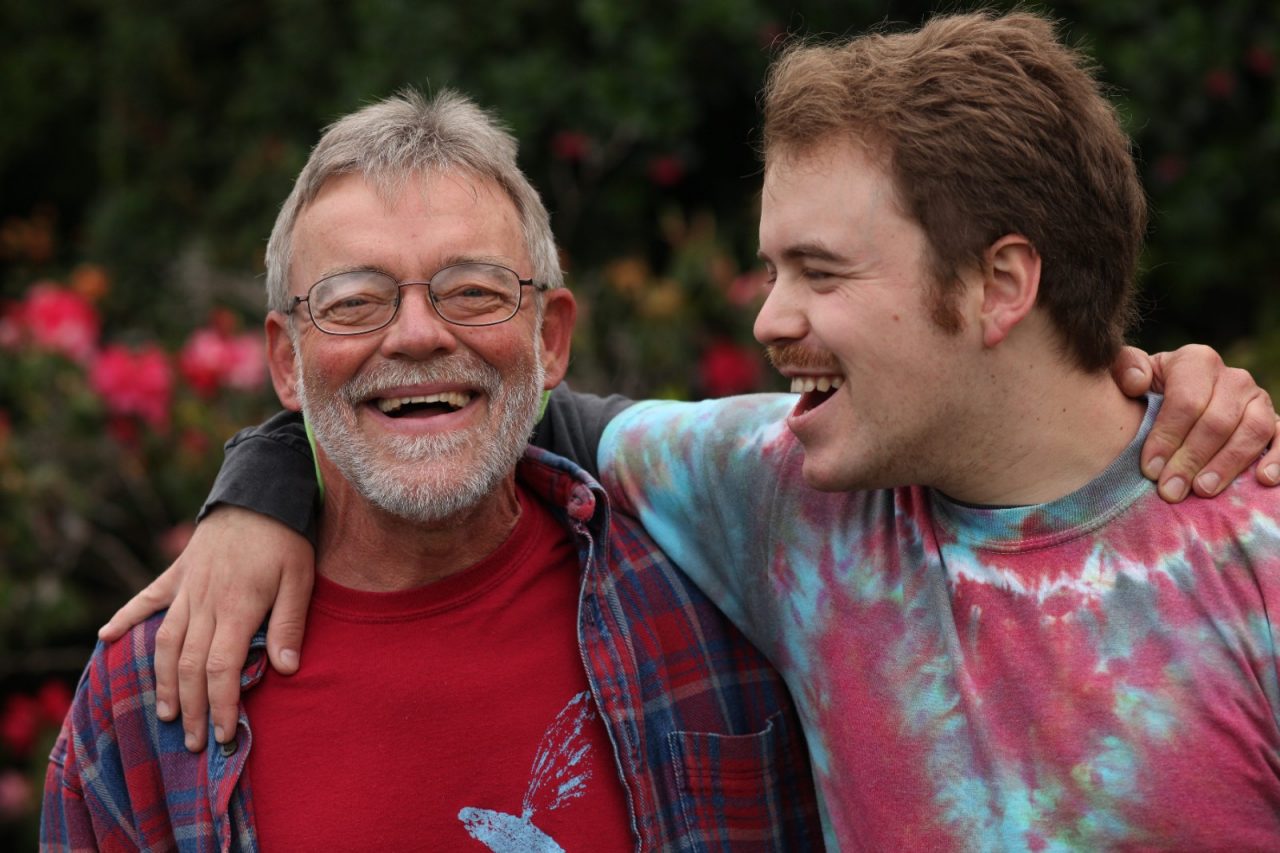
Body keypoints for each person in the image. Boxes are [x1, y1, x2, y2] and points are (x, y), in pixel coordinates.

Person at [98, 12, 1280, 850]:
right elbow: (469, 401)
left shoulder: (1251, 556)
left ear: (998, 285)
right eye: (771, 268)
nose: (768, 320)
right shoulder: (781, 495)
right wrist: (259, 483)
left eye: (816, 270)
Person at [40, 89, 821, 851]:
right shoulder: (153, 697)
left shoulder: (719, 593)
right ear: (287, 361)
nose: (417, 335)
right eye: (353, 302)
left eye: (473, 292)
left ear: (550, 338)